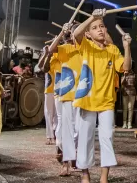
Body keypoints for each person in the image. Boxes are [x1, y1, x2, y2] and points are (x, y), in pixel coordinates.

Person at [72, 10, 132, 183]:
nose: (100, 29)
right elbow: (76, 33)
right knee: (85, 139)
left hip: (106, 103)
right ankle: (85, 174)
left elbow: (125, 67)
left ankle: (104, 176)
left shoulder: (112, 50)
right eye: (95, 28)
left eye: (102, 26)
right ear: (89, 34)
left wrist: (127, 47)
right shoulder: (86, 46)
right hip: (87, 100)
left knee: (107, 138)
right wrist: (93, 17)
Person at [48, 24, 81, 176]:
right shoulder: (66, 49)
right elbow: (51, 49)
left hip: (84, 96)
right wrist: (62, 32)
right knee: (67, 130)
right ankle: (66, 163)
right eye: (77, 32)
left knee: (80, 132)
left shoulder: (88, 49)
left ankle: (75, 158)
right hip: (67, 95)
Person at [38, 45, 60, 146]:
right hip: (49, 88)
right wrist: (46, 54)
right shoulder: (47, 57)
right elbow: (40, 67)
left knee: (57, 114)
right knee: (48, 113)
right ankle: (49, 136)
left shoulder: (59, 55)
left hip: (59, 89)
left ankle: (56, 134)